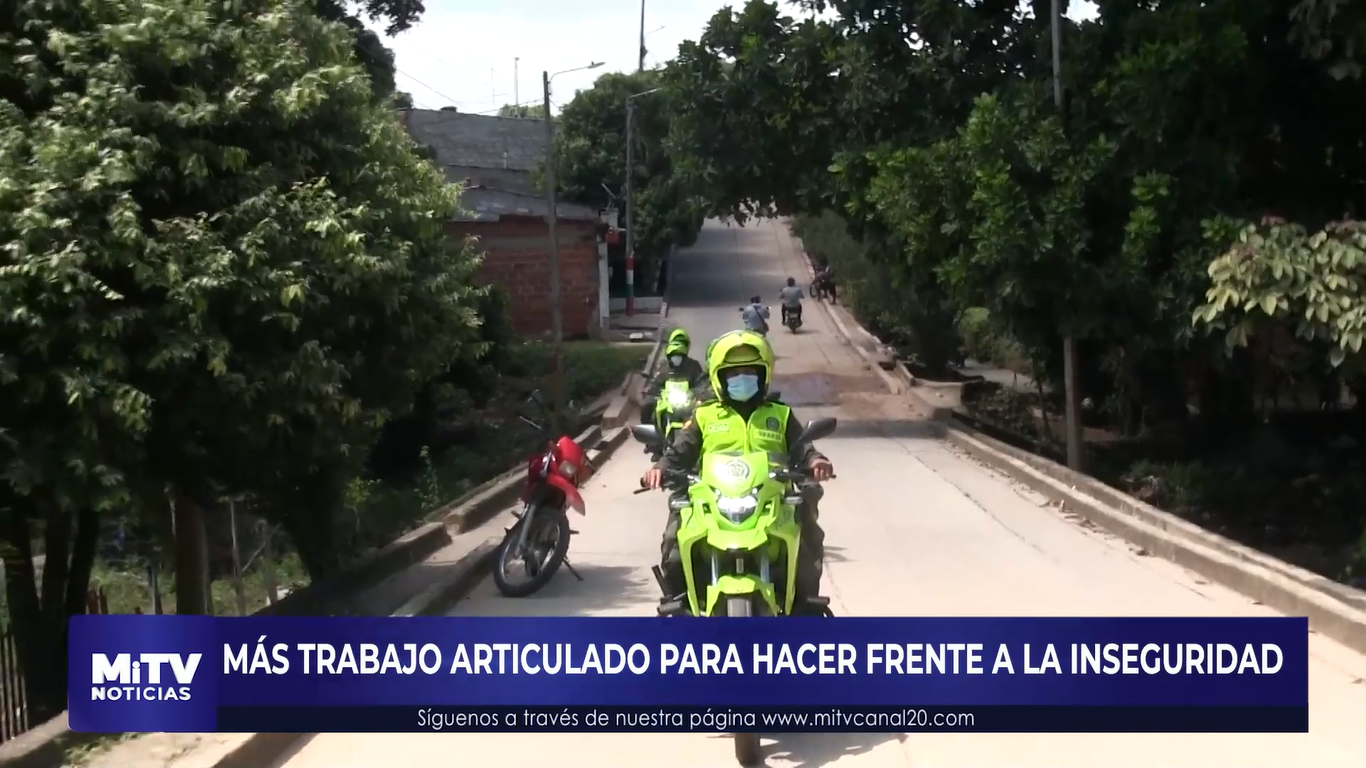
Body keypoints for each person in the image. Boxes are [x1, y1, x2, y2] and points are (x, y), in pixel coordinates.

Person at [642, 330, 835, 614]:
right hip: (714, 498)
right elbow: (679, 452)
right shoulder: (704, 416)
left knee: (808, 535)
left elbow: (802, 447)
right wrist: (660, 468)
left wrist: (816, 461)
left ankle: (803, 603)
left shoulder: (779, 415)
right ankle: (679, 603)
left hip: (772, 498)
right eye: (734, 374)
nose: (741, 379)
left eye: (750, 372)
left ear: (764, 376)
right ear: (720, 378)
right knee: (675, 538)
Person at [640, 328, 709, 426]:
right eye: (674, 355)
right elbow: (655, 382)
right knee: (647, 405)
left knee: (704, 410)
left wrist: (697, 394)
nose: (676, 358)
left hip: (687, 402)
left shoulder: (694, 366)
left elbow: (701, 383)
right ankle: (650, 434)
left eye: (679, 355)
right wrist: (651, 391)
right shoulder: (662, 365)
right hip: (665, 400)